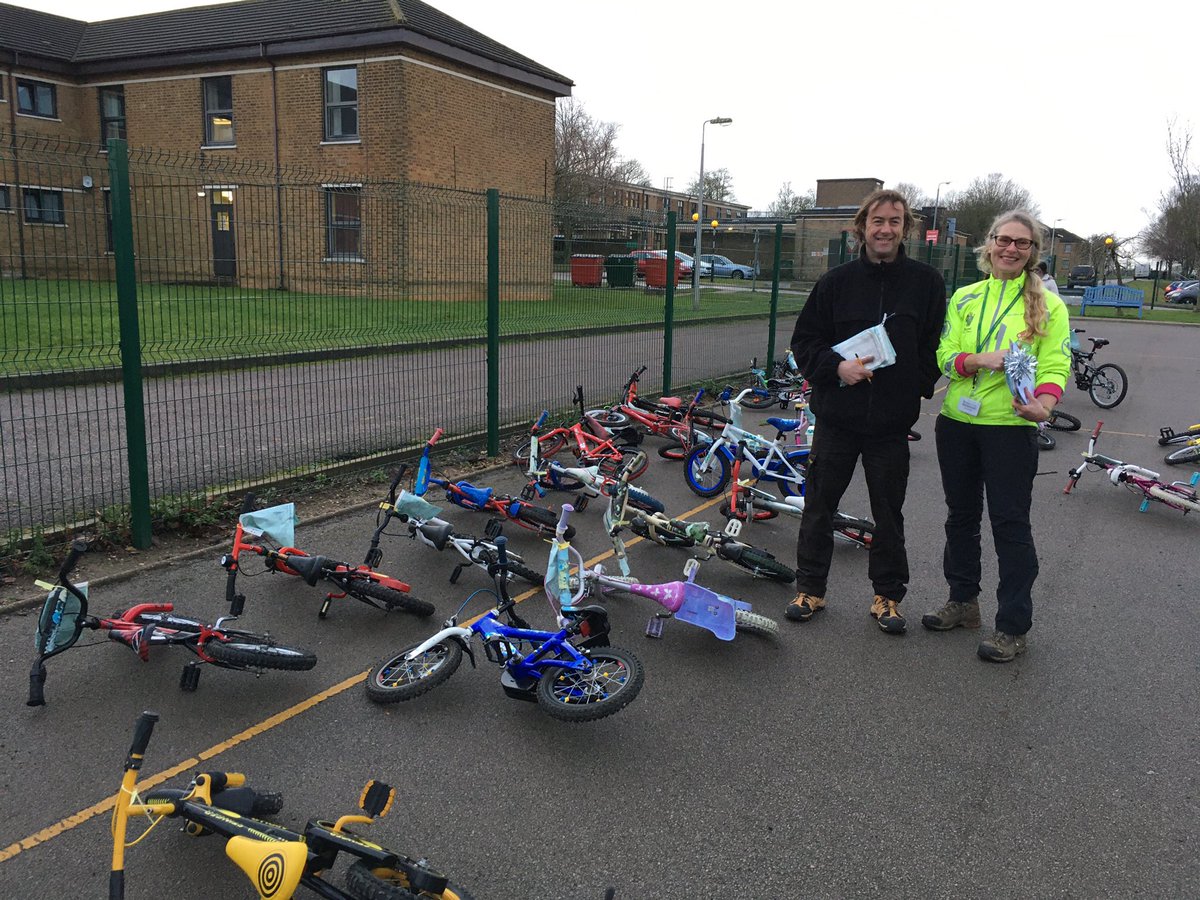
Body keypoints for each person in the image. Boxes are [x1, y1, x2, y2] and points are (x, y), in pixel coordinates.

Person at [787, 189, 946, 634]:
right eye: (878, 220)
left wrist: (914, 387)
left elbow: (936, 345)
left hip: (891, 427)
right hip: (837, 420)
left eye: (895, 221)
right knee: (819, 507)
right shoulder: (835, 283)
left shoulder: (926, 282)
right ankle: (810, 589)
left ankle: (888, 597)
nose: (885, 229)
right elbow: (805, 342)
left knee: (888, 513)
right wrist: (836, 368)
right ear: (862, 226)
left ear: (905, 229)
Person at [921, 210, 1070, 662]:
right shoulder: (964, 297)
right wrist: (977, 360)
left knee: (1010, 525)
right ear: (989, 245)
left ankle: (1012, 625)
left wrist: (1044, 405)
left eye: (1021, 243)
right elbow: (944, 354)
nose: (1010, 248)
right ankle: (964, 601)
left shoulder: (1048, 303)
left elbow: (1054, 365)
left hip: (1010, 428)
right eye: (1003, 240)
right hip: (957, 424)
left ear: (1032, 252)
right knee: (960, 517)